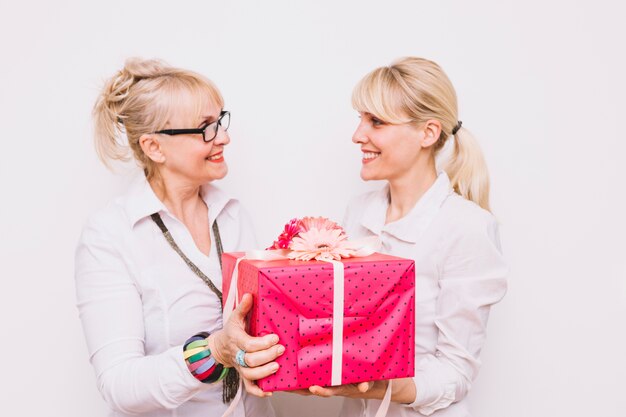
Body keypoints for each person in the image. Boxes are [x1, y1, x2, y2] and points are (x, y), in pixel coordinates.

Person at [75, 58, 282, 417]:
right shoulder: (109, 236)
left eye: (220, 120)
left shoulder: (233, 215)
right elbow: (118, 386)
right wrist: (215, 351)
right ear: (155, 147)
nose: (224, 137)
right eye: (205, 128)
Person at [302, 57, 508, 416]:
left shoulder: (467, 227)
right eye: (360, 119)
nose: (357, 135)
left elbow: (456, 372)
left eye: (376, 122)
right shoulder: (359, 213)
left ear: (427, 133)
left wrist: (387, 388)